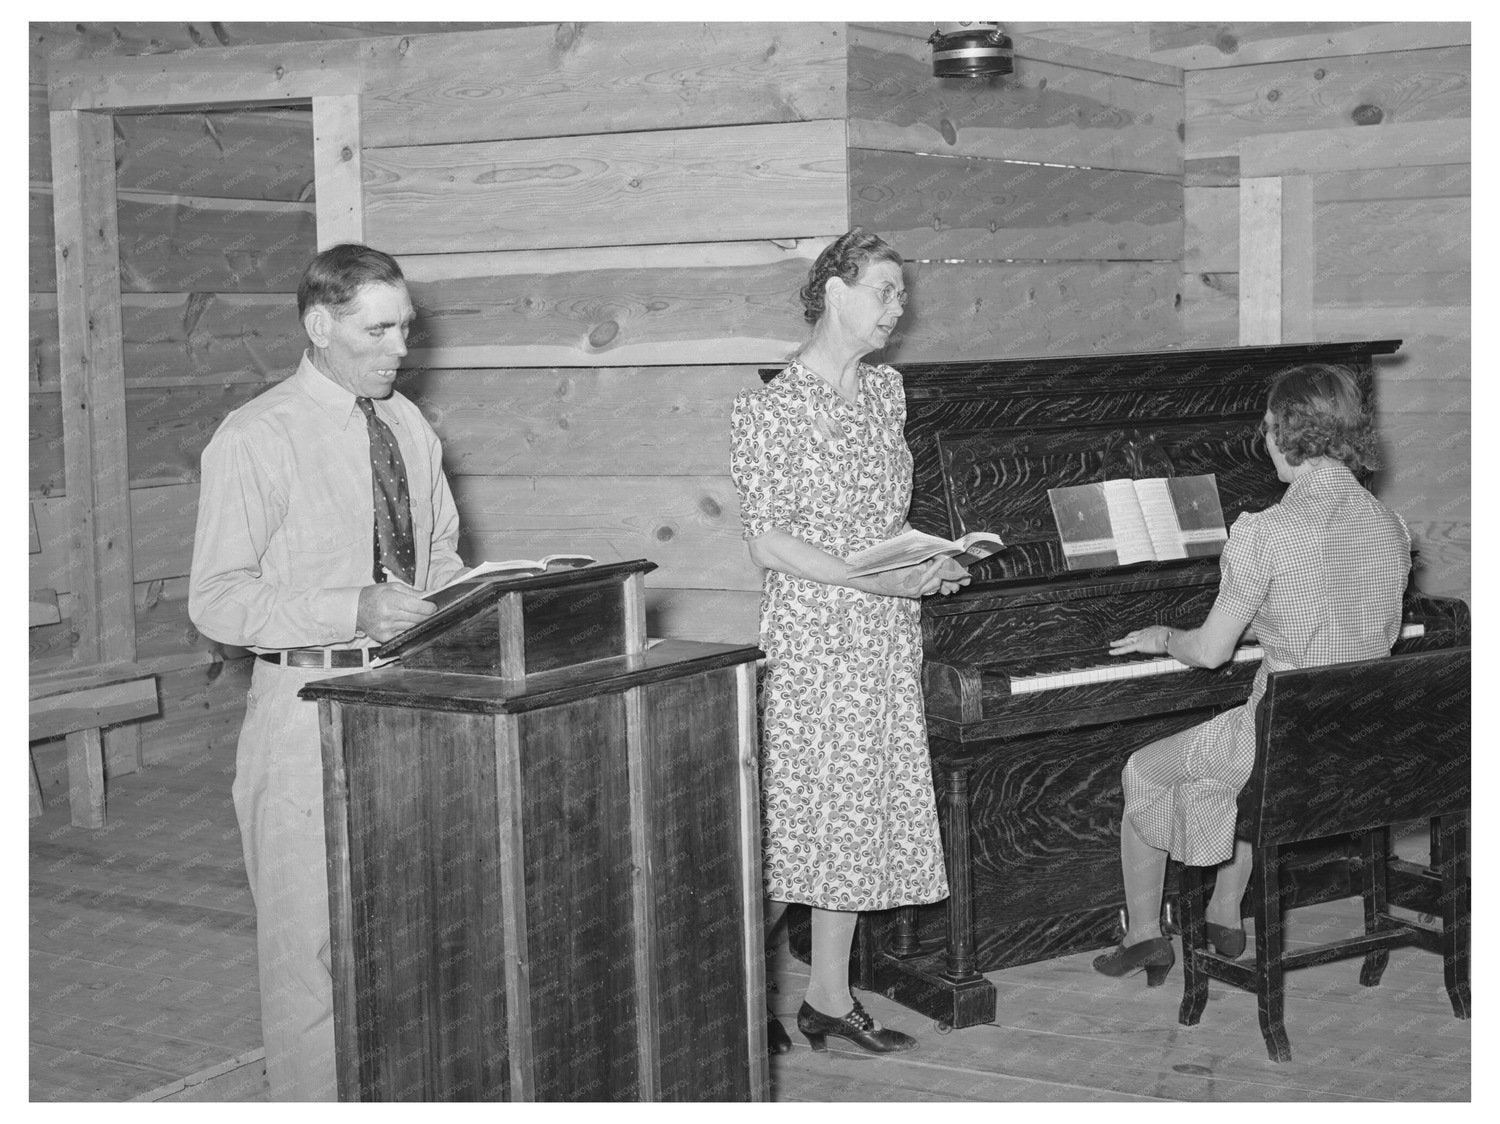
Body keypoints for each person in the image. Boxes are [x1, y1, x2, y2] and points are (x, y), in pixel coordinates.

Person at [188, 243, 466, 1098]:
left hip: (405, 703)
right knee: (310, 946)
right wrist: (349, 607)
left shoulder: (407, 425)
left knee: (409, 928)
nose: (400, 349)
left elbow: (443, 558)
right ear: (320, 326)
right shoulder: (256, 436)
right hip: (306, 708)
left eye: (406, 328)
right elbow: (218, 601)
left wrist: (489, 597)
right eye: (378, 329)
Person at [729, 228, 970, 1055]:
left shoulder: (887, 393)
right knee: (797, 819)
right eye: (884, 290)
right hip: (813, 632)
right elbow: (769, 541)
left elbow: (888, 519)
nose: (896, 309)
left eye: (902, 294)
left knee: (857, 814)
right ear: (833, 292)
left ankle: (829, 995)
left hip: (882, 630)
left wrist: (928, 565)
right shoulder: (769, 407)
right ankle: (734, 991)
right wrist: (869, 578)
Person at [1094, 363, 1411, 985]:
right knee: (1238, 755)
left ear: (1285, 431)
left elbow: (1210, 652)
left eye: (1267, 427)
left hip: (1279, 740)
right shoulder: (1390, 527)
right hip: (1352, 741)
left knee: (1146, 767)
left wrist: (1162, 635)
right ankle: (1222, 909)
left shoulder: (1264, 532)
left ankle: (1144, 936)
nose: (1263, 439)